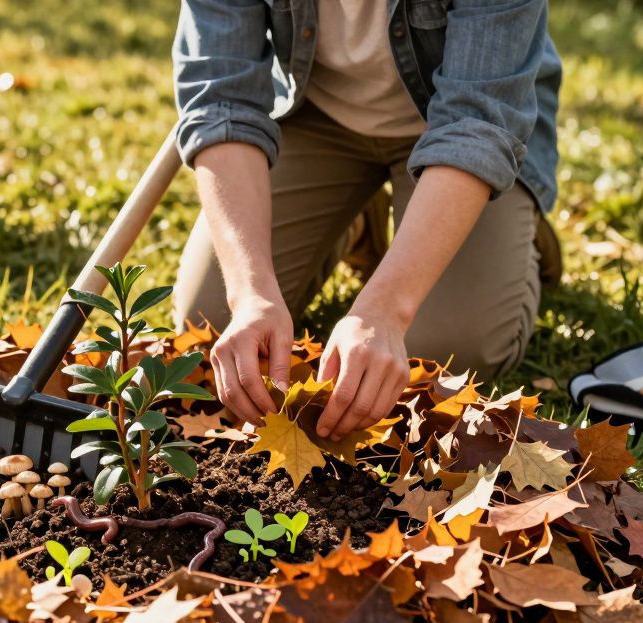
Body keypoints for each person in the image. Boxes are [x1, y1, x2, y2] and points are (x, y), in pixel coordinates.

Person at [171, 0, 562, 442]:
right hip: (318, 113)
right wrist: (249, 295)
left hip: (458, 125)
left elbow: (480, 122)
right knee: (212, 319)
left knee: (445, 349)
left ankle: (516, 229)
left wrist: (385, 311)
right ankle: (360, 221)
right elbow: (222, 98)